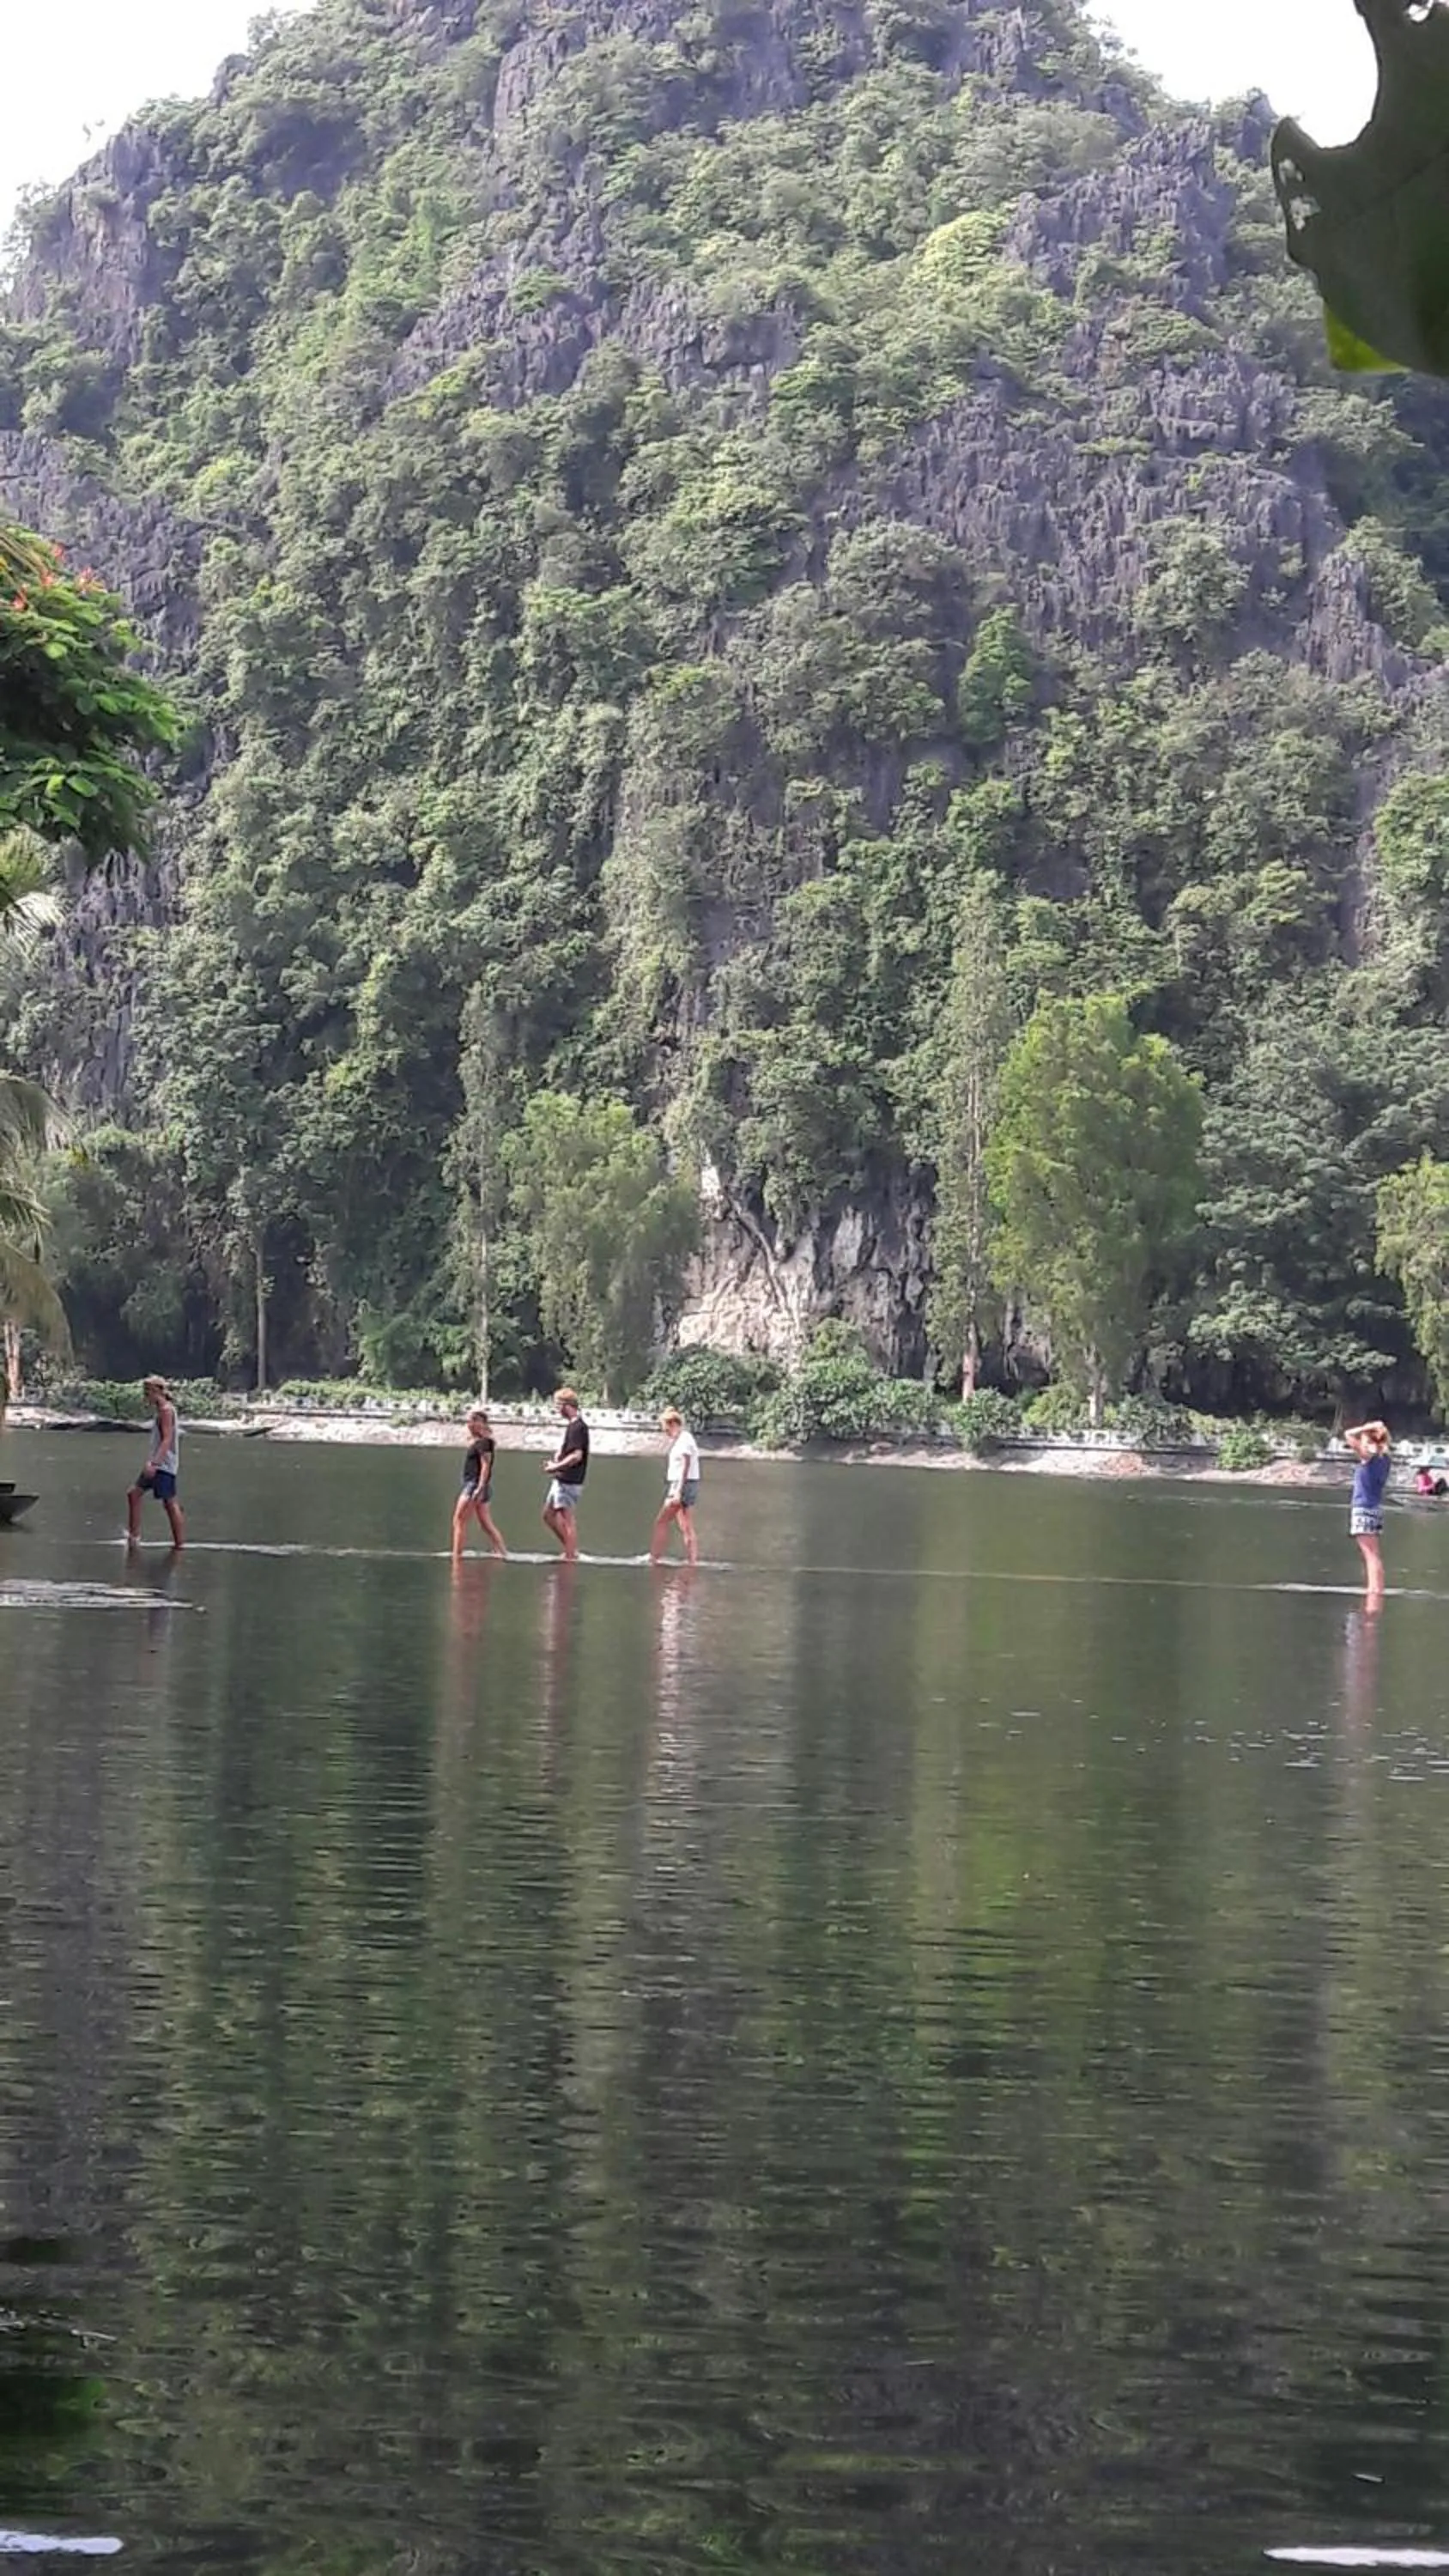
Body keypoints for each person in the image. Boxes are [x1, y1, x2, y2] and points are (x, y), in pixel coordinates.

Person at [127, 1375, 184, 1551]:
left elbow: (167, 1439)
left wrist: (155, 1463)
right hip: (156, 1463)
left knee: (169, 1502)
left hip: (163, 1465)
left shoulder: (166, 1411)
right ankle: (134, 1537)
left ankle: (179, 1544)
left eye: (148, 1392)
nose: (146, 1396)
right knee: (133, 1494)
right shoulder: (161, 1411)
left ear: (157, 1391)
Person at [1344, 1419, 1391, 1608]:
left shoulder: (1368, 1457)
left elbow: (1348, 1434)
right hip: (1375, 1508)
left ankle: (1374, 1591)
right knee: (1374, 1554)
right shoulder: (1384, 1459)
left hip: (1363, 1507)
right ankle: (1375, 1589)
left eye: (1364, 1439)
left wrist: (1367, 1427)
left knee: (1370, 1555)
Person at [452, 1407, 506, 1561]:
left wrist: (479, 1487)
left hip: (474, 1485)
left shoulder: (484, 1442)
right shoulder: (480, 1441)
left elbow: (485, 1465)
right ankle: (503, 1553)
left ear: (480, 1422)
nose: (468, 1424)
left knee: (459, 1521)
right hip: (478, 1485)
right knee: (486, 1524)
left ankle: (457, 1556)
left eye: (472, 1421)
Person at [542, 1388, 589, 1561]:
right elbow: (569, 1450)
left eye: (558, 1405)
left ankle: (570, 1557)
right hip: (561, 1479)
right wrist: (557, 1459)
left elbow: (577, 1456)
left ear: (567, 1406)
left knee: (567, 1519)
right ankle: (571, 1549)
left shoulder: (578, 1427)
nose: (557, 1410)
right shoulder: (572, 1426)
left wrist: (555, 1467)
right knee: (548, 1515)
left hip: (570, 1481)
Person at [651, 1406, 700, 1567]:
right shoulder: (683, 1439)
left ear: (672, 1423)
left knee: (661, 1521)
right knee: (685, 1526)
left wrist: (678, 1491)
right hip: (685, 1484)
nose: (664, 1431)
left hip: (682, 1486)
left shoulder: (684, 1439)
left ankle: (654, 1557)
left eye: (665, 1427)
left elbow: (686, 1464)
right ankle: (692, 1561)